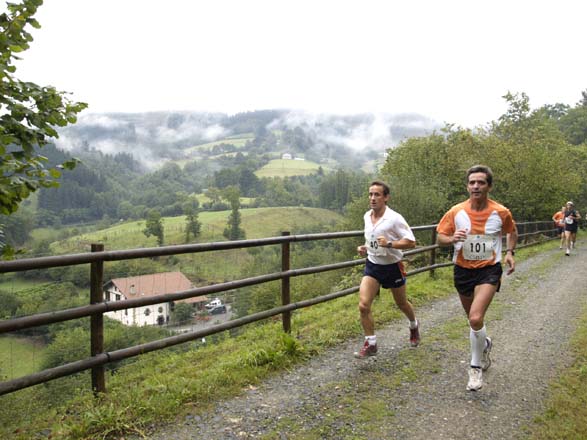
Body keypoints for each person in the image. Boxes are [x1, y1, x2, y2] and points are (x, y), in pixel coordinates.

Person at [436, 165, 517, 391]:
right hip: (462, 270)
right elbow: (440, 237)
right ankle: (485, 342)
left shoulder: (501, 212)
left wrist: (510, 253)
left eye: (481, 182)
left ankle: (475, 368)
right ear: (467, 186)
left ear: (489, 186)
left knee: (475, 318)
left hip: (489, 270)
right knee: (474, 321)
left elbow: (512, 231)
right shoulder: (455, 212)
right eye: (472, 182)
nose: (476, 186)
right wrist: (452, 238)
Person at [354, 180, 420, 359]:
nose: (373, 198)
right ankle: (371, 343)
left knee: (402, 303)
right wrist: (365, 248)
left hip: (393, 267)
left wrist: (390, 244)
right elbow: (373, 241)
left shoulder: (395, 218)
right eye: (370, 194)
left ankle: (414, 325)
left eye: (377, 195)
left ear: (386, 197)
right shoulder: (367, 216)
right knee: (363, 305)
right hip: (373, 265)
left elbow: (411, 242)